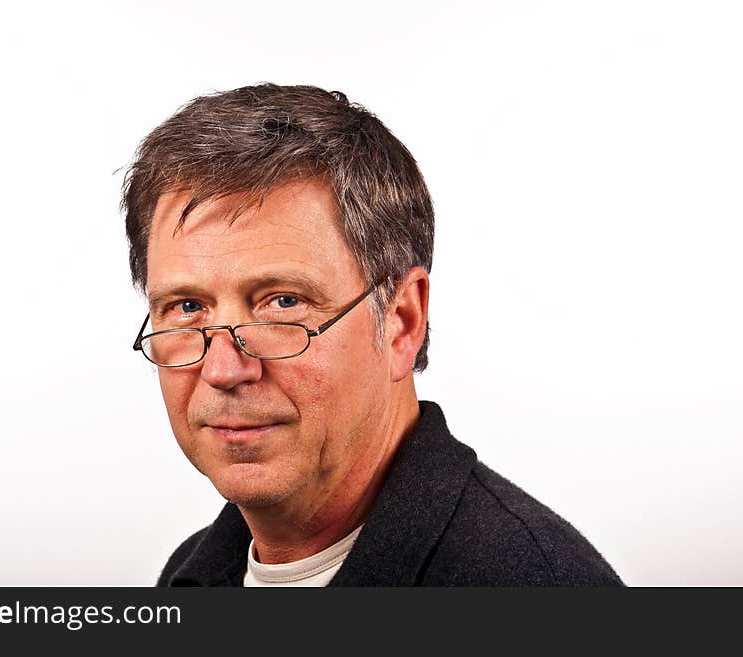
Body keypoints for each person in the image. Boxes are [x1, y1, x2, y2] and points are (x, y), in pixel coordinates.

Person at [122, 84, 623, 586]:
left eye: (283, 303)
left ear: (402, 321)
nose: (224, 369)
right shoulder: (194, 572)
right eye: (187, 307)